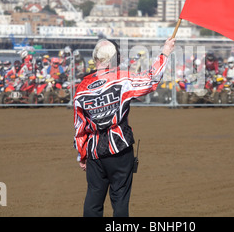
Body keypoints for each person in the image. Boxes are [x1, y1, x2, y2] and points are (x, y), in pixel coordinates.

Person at [73, 37, 175, 217]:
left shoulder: (82, 87)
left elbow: (79, 126)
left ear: (95, 59)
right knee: (120, 199)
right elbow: (151, 79)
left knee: (93, 199)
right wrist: (165, 51)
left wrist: (82, 154)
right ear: (115, 60)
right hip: (119, 147)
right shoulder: (122, 78)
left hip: (94, 151)